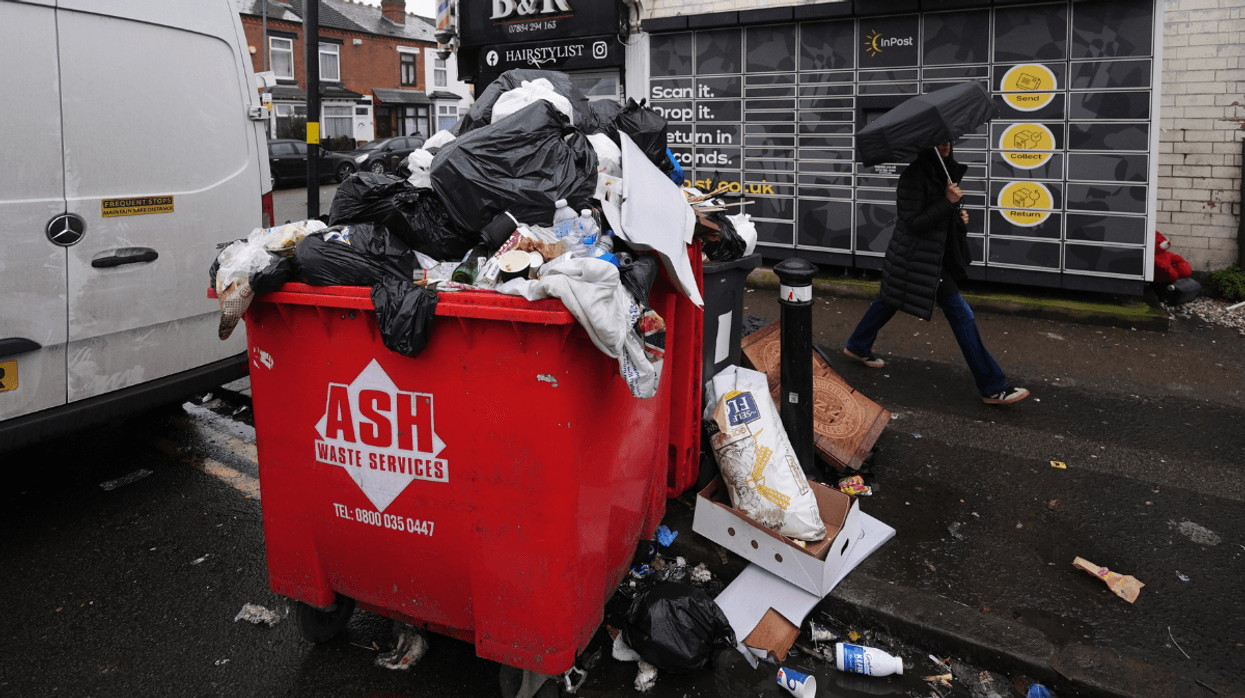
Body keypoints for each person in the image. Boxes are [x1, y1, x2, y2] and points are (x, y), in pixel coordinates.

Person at [843, 142, 1029, 405]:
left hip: (932, 257)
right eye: (939, 140)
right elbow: (913, 223)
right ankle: (993, 387)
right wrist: (947, 202)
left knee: (890, 299)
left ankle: (857, 344)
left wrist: (958, 216)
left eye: (948, 140)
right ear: (926, 145)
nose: (945, 145)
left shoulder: (946, 173)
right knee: (960, 313)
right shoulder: (913, 177)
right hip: (918, 259)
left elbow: (941, 221)